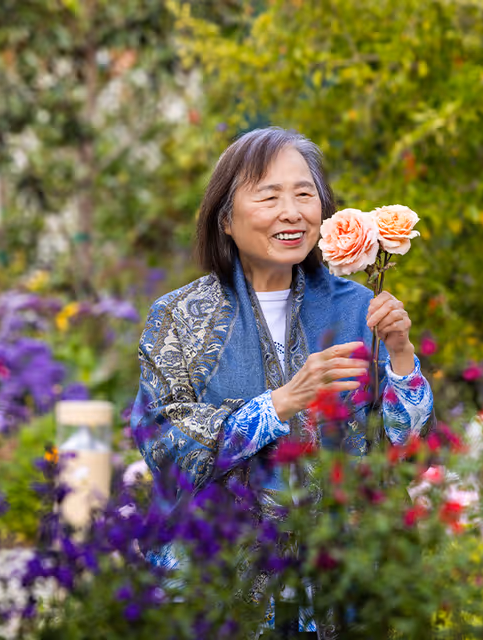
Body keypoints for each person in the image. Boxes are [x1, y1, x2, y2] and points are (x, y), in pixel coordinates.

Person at [131, 125, 434, 546]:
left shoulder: (358, 309)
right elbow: (164, 445)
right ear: (226, 219)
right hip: (221, 577)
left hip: (341, 575)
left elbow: (407, 454)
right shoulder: (179, 317)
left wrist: (401, 355)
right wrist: (281, 404)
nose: (291, 212)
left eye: (304, 195)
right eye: (269, 196)